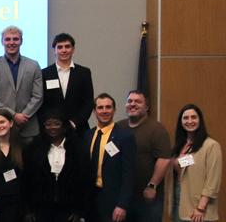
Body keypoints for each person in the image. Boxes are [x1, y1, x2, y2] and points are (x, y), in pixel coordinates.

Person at [23, 112, 90, 222]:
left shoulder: (78, 149)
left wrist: (79, 211)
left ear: (64, 127)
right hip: (40, 211)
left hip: (69, 212)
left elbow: (85, 182)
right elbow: (26, 181)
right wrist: (27, 211)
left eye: (57, 124)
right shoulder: (33, 149)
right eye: (48, 124)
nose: (52, 127)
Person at [115, 90, 171, 222]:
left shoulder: (157, 129)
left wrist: (152, 185)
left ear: (146, 107)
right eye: (130, 101)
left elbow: (163, 159)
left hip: (147, 196)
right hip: (124, 197)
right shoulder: (119, 127)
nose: (133, 104)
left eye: (138, 101)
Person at [0, 25, 43, 146]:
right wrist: (13, 115)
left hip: (28, 127)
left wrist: (24, 115)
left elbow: (38, 96)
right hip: (0, 127)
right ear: (2, 42)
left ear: (21, 41)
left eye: (15, 39)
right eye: (7, 39)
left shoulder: (33, 65)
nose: (11, 43)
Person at [86, 93, 136, 222]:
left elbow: (129, 174)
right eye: (100, 108)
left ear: (114, 110)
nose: (104, 111)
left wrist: (122, 205)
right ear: (94, 111)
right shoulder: (88, 135)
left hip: (113, 201)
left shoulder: (124, 137)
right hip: (91, 199)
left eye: (108, 107)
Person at [169, 104, 221, 222]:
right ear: (181, 122)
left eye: (194, 117)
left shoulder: (211, 146)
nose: (190, 121)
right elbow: (182, 166)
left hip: (198, 210)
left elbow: (213, 181)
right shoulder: (179, 146)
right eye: (185, 118)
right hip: (179, 205)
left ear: (200, 120)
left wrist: (201, 208)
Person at [38, 33, 94, 138]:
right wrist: (50, 124)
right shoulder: (44, 73)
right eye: (60, 47)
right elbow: (41, 103)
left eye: (67, 46)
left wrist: (75, 122)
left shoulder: (84, 72)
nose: (64, 50)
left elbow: (88, 102)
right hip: (51, 130)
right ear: (54, 50)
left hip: (78, 129)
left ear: (73, 49)